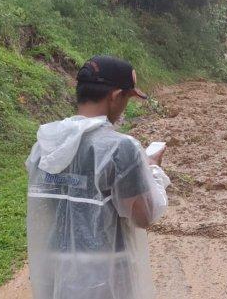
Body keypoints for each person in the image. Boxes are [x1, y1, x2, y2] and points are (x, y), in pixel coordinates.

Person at [25, 55, 171, 299]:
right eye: (126, 98)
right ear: (115, 96)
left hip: (55, 272)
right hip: (104, 277)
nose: (125, 106)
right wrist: (153, 170)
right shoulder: (121, 149)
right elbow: (144, 215)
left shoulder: (45, 144)